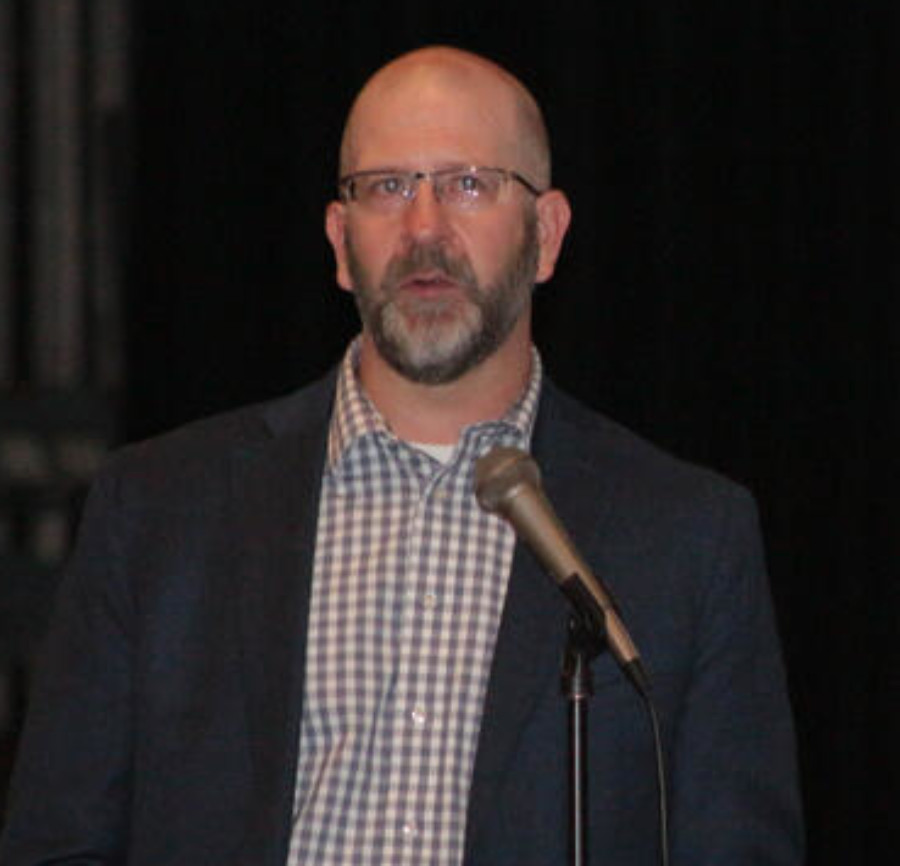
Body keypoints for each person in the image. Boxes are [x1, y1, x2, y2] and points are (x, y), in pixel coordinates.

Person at [0, 46, 803, 865]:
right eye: (386, 187)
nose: (424, 228)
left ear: (547, 234)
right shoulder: (161, 510)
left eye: (467, 184)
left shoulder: (686, 540)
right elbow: (57, 844)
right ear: (341, 243)